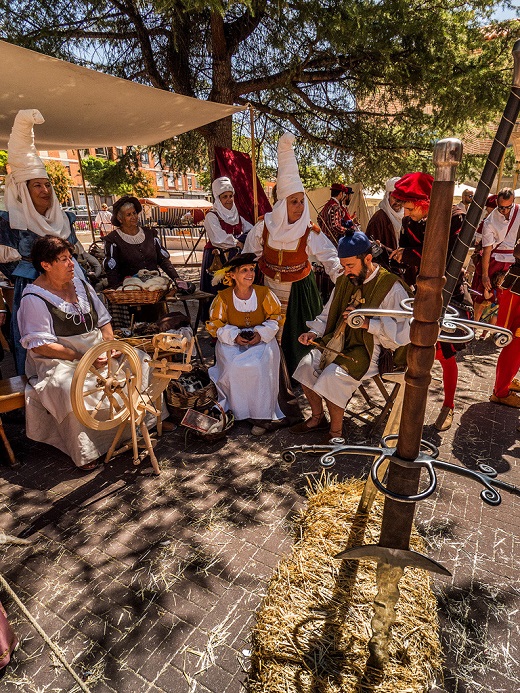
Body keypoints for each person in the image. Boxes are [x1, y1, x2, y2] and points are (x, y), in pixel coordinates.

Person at [289, 230, 411, 442]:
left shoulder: (391, 287)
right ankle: (318, 418)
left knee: (333, 378)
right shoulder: (346, 280)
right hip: (338, 340)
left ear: (368, 259)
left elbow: (403, 332)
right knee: (306, 366)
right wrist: (313, 332)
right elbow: (327, 314)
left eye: (350, 266)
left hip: (372, 348)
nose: (346, 271)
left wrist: (368, 324)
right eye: (343, 266)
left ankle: (336, 434)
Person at [18, 236, 125, 469]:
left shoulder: (81, 285)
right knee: (69, 388)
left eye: (71, 257)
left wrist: (110, 346)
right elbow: (41, 346)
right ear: (46, 265)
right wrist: (83, 358)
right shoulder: (34, 298)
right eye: (64, 259)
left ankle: (138, 426)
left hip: (96, 350)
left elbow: (104, 321)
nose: (72, 264)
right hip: (59, 359)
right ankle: (87, 451)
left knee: (140, 362)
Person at [243, 132, 342, 376]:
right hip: (266, 289)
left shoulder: (309, 232)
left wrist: (344, 278)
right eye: (293, 201)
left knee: (298, 340)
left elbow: (330, 257)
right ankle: (269, 376)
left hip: (299, 291)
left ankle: (297, 380)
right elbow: (248, 255)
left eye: (301, 201)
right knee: (266, 334)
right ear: (281, 203)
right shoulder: (263, 227)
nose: (300, 207)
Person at [0, 109, 79, 375]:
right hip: (33, 293)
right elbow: (5, 263)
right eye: (37, 186)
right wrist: (29, 274)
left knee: (75, 340)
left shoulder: (64, 219)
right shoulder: (9, 223)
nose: (45, 191)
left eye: (47, 185)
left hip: (71, 286)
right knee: (41, 345)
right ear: (23, 190)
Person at [389, 172, 467, 432]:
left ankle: (449, 405)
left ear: (424, 202)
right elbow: (407, 250)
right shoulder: (409, 221)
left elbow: (450, 259)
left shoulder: (454, 218)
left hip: (447, 293)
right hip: (418, 292)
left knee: (445, 355)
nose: (407, 213)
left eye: (410, 208)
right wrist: (399, 257)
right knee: (419, 349)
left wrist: (411, 255)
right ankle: (411, 402)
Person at [206, 253, 284, 433]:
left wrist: (260, 334)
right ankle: (238, 410)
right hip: (231, 342)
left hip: (261, 340)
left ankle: (261, 414)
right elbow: (215, 324)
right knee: (234, 365)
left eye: (251, 270)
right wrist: (233, 336)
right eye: (244, 270)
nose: (250, 274)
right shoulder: (223, 297)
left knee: (258, 365)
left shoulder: (264, 294)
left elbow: (275, 318)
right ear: (232, 275)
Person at [103, 195, 189, 290]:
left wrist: (176, 278)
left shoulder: (150, 234)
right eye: (128, 215)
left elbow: (163, 260)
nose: (133, 217)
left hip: (155, 287)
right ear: (120, 219)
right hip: (130, 289)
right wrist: (117, 291)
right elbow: (111, 268)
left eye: (134, 213)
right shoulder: (113, 240)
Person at [200, 177, 253, 296]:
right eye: (225, 197)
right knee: (217, 291)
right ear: (218, 199)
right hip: (216, 259)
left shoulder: (237, 216)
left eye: (231, 196)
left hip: (234, 260)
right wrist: (237, 243)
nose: (229, 199)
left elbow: (250, 230)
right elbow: (218, 238)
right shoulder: (211, 216)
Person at [471, 188, 518, 321]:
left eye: (508, 207)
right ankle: (474, 326)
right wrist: (485, 275)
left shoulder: (519, 212)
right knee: (482, 298)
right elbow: (487, 250)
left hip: (514, 261)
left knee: (510, 298)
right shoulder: (490, 221)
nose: (504, 210)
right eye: (501, 207)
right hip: (495, 261)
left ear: (513, 201)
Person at [365, 177, 404, 256]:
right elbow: (371, 249)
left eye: (400, 198)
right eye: (394, 197)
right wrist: (392, 255)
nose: (398, 202)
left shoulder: (407, 217)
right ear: (387, 197)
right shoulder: (378, 219)